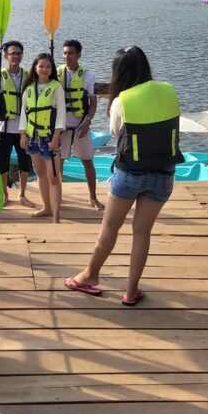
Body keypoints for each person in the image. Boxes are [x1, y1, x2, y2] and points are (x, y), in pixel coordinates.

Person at [65, 46, 183, 305]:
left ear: (119, 72)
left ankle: (89, 276)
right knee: (142, 232)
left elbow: (116, 131)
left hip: (130, 172)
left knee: (110, 227)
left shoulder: (122, 100)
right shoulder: (169, 90)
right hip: (164, 173)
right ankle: (131, 291)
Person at [19, 53, 66, 223]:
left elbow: (61, 114)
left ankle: (56, 213)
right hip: (32, 135)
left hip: (49, 136)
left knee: (53, 176)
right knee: (39, 172)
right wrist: (22, 134)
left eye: (47, 66)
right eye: (41, 66)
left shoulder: (56, 87)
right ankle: (46, 207)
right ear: (35, 68)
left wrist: (56, 137)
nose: (44, 69)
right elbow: (24, 114)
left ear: (51, 69)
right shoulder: (29, 88)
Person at [58, 39, 103, 210]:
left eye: (70, 53)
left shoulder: (88, 76)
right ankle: (58, 196)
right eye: (64, 53)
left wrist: (87, 123)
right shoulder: (56, 73)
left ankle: (93, 197)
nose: (66, 56)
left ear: (78, 55)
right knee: (59, 162)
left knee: (87, 161)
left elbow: (93, 103)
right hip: (61, 127)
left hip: (80, 125)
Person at [0, 40, 36, 208]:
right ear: (5, 56)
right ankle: (5, 194)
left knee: (25, 161)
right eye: (12, 53)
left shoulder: (28, 75)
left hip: (24, 128)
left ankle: (22, 194)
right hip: (4, 126)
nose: (16, 56)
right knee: (2, 161)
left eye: (19, 53)